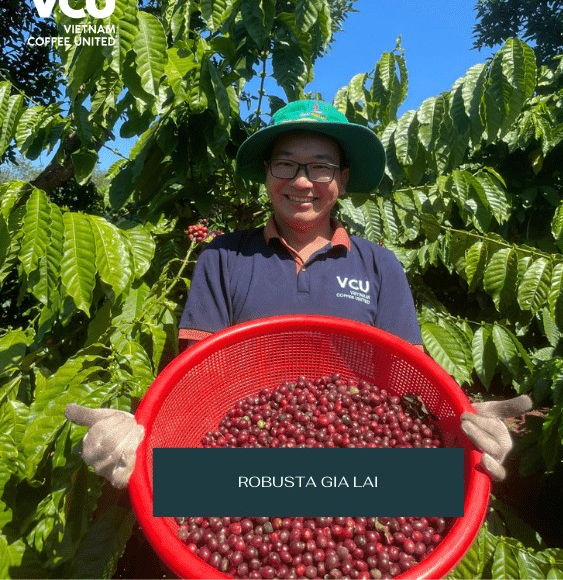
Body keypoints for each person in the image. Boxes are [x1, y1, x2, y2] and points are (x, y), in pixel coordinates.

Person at [66, 99, 529, 490]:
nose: (302, 181)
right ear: (267, 173)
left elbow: (407, 388)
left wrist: (458, 425)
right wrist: (142, 435)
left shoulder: (380, 265)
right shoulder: (222, 258)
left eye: (321, 167)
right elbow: (196, 387)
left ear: (342, 180)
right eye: (286, 164)